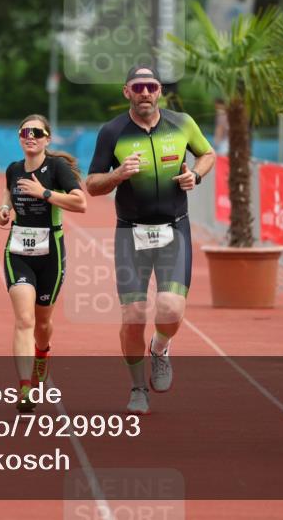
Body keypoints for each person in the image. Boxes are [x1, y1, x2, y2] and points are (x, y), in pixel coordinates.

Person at [86, 65, 216, 415]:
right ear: (126, 91)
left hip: (175, 229)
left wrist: (196, 176)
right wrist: (117, 175)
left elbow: (208, 154)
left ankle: (159, 349)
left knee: (171, 308)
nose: (145, 92)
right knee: (133, 317)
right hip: (131, 233)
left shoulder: (183, 123)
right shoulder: (112, 132)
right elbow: (92, 184)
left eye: (152, 86)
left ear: (160, 92)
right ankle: (137, 387)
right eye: (138, 87)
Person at [0, 114, 87, 412]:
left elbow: (80, 202)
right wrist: (4, 210)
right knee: (24, 319)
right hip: (18, 251)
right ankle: (25, 389)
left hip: (51, 253)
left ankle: (42, 354)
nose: (30, 136)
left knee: (43, 323)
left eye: (37, 132)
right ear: (19, 137)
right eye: (25, 131)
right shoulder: (13, 169)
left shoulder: (57, 168)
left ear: (48, 138)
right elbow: (9, 195)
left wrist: (45, 193)